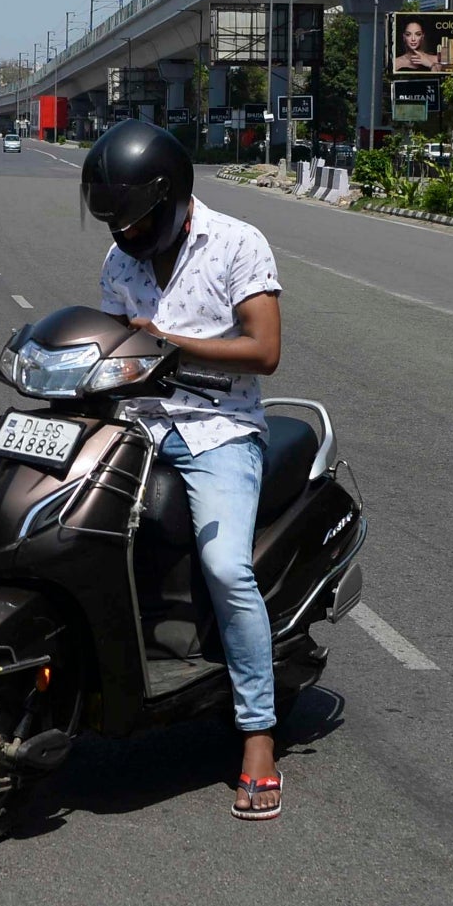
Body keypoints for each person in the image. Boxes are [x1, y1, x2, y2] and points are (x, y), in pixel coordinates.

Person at [80, 121, 287, 820]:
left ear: (170, 197)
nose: (126, 236)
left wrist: (173, 347)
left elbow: (264, 351)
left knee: (227, 568)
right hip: (135, 424)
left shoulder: (236, 242)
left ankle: (256, 731)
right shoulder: (120, 260)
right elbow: (110, 346)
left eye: (136, 220)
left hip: (218, 430)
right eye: (113, 222)